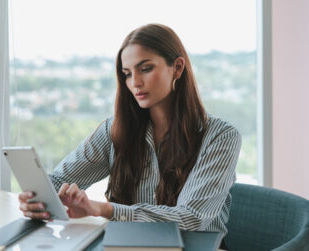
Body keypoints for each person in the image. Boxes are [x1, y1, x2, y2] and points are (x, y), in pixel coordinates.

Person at [18, 23, 242, 235]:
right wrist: (38, 200)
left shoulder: (220, 137)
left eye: (145, 69)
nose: (135, 82)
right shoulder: (115, 129)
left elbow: (191, 218)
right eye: (127, 73)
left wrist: (105, 209)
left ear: (177, 67)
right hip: (129, 244)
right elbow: (59, 180)